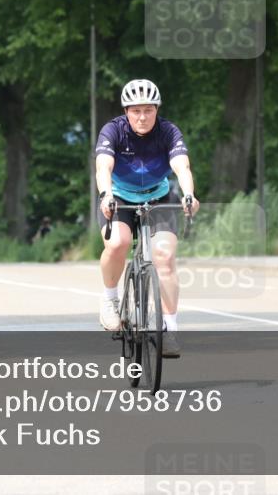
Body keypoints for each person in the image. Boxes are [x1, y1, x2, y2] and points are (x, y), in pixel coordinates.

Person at [95, 78, 199, 358]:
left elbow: (182, 165)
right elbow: (103, 166)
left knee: (164, 258)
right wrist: (106, 194)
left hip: (159, 197)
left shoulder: (168, 132)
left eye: (148, 110)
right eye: (136, 110)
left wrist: (188, 194)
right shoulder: (113, 131)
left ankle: (170, 329)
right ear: (126, 111)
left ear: (157, 110)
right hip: (118, 197)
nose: (142, 116)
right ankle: (110, 300)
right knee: (118, 243)